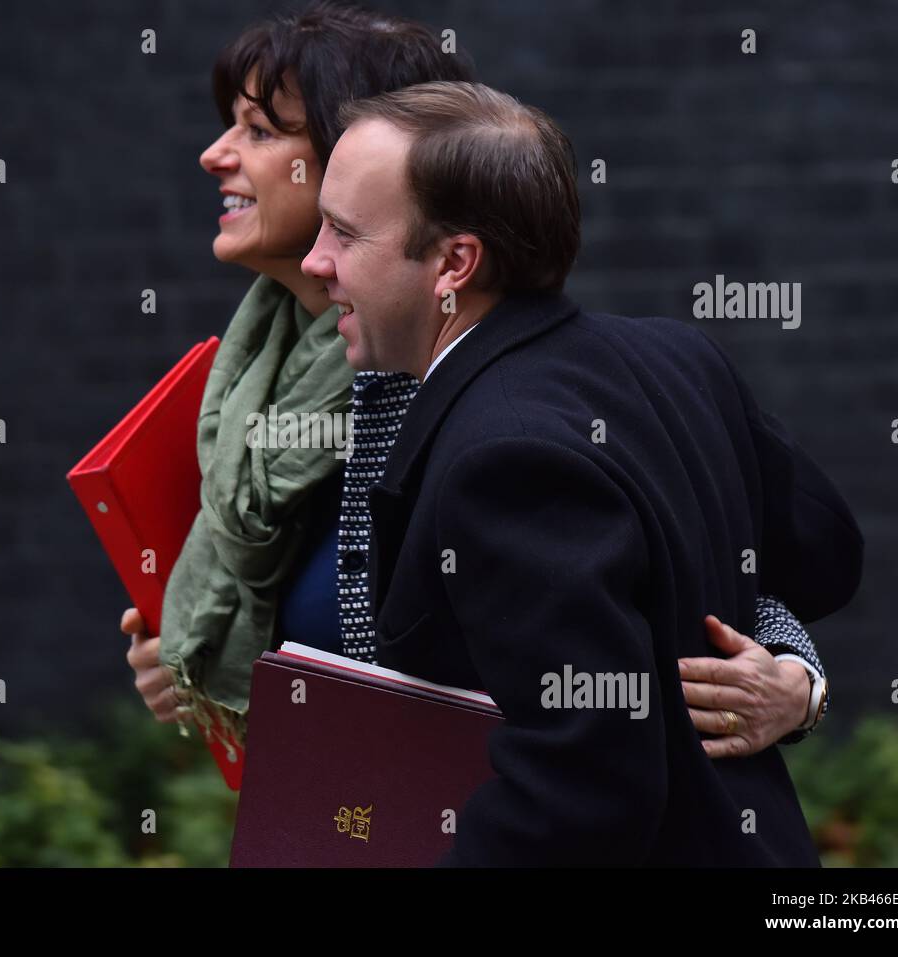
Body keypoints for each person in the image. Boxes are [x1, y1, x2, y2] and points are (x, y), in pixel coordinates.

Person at [120, 2, 830, 767]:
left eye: (263, 131)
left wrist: (800, 679)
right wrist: (203, 648)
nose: (214, 154)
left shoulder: (451, 384)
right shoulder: (260, 381)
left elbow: (706, 585)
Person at [299, 80, 863, 864]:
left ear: (455, 263)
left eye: (343, 233)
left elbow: (582, 786)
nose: (314, 260)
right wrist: (795, 676)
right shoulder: (680, 357)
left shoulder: (501, 461)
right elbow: (828, 556)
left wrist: (794, 686)